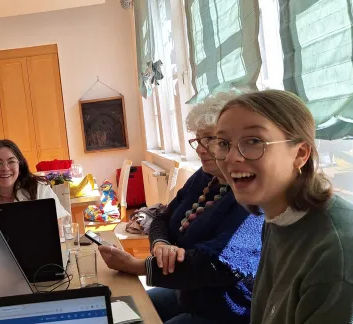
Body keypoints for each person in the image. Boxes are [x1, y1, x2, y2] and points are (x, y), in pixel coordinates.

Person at [98, 91, 263, 324]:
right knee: (123, 311)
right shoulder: (205, 177)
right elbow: (161, 218)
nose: (200, 149)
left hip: (228, 311)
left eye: (210, 139)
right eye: (197, 140)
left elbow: (216, 265)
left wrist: (138, 266)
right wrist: (161, 244)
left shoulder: (251, 194)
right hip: (190, 293)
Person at [209, 90, 353, 324]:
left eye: (254, 141)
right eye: (223, 143)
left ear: (300, 154)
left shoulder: (338, 252)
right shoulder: (277, 218)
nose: (231, 158)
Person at [0, 139, 70, 222]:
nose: (5, 168)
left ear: (20, 167)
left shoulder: (39, 190)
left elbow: (62, 222)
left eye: (11, 161)